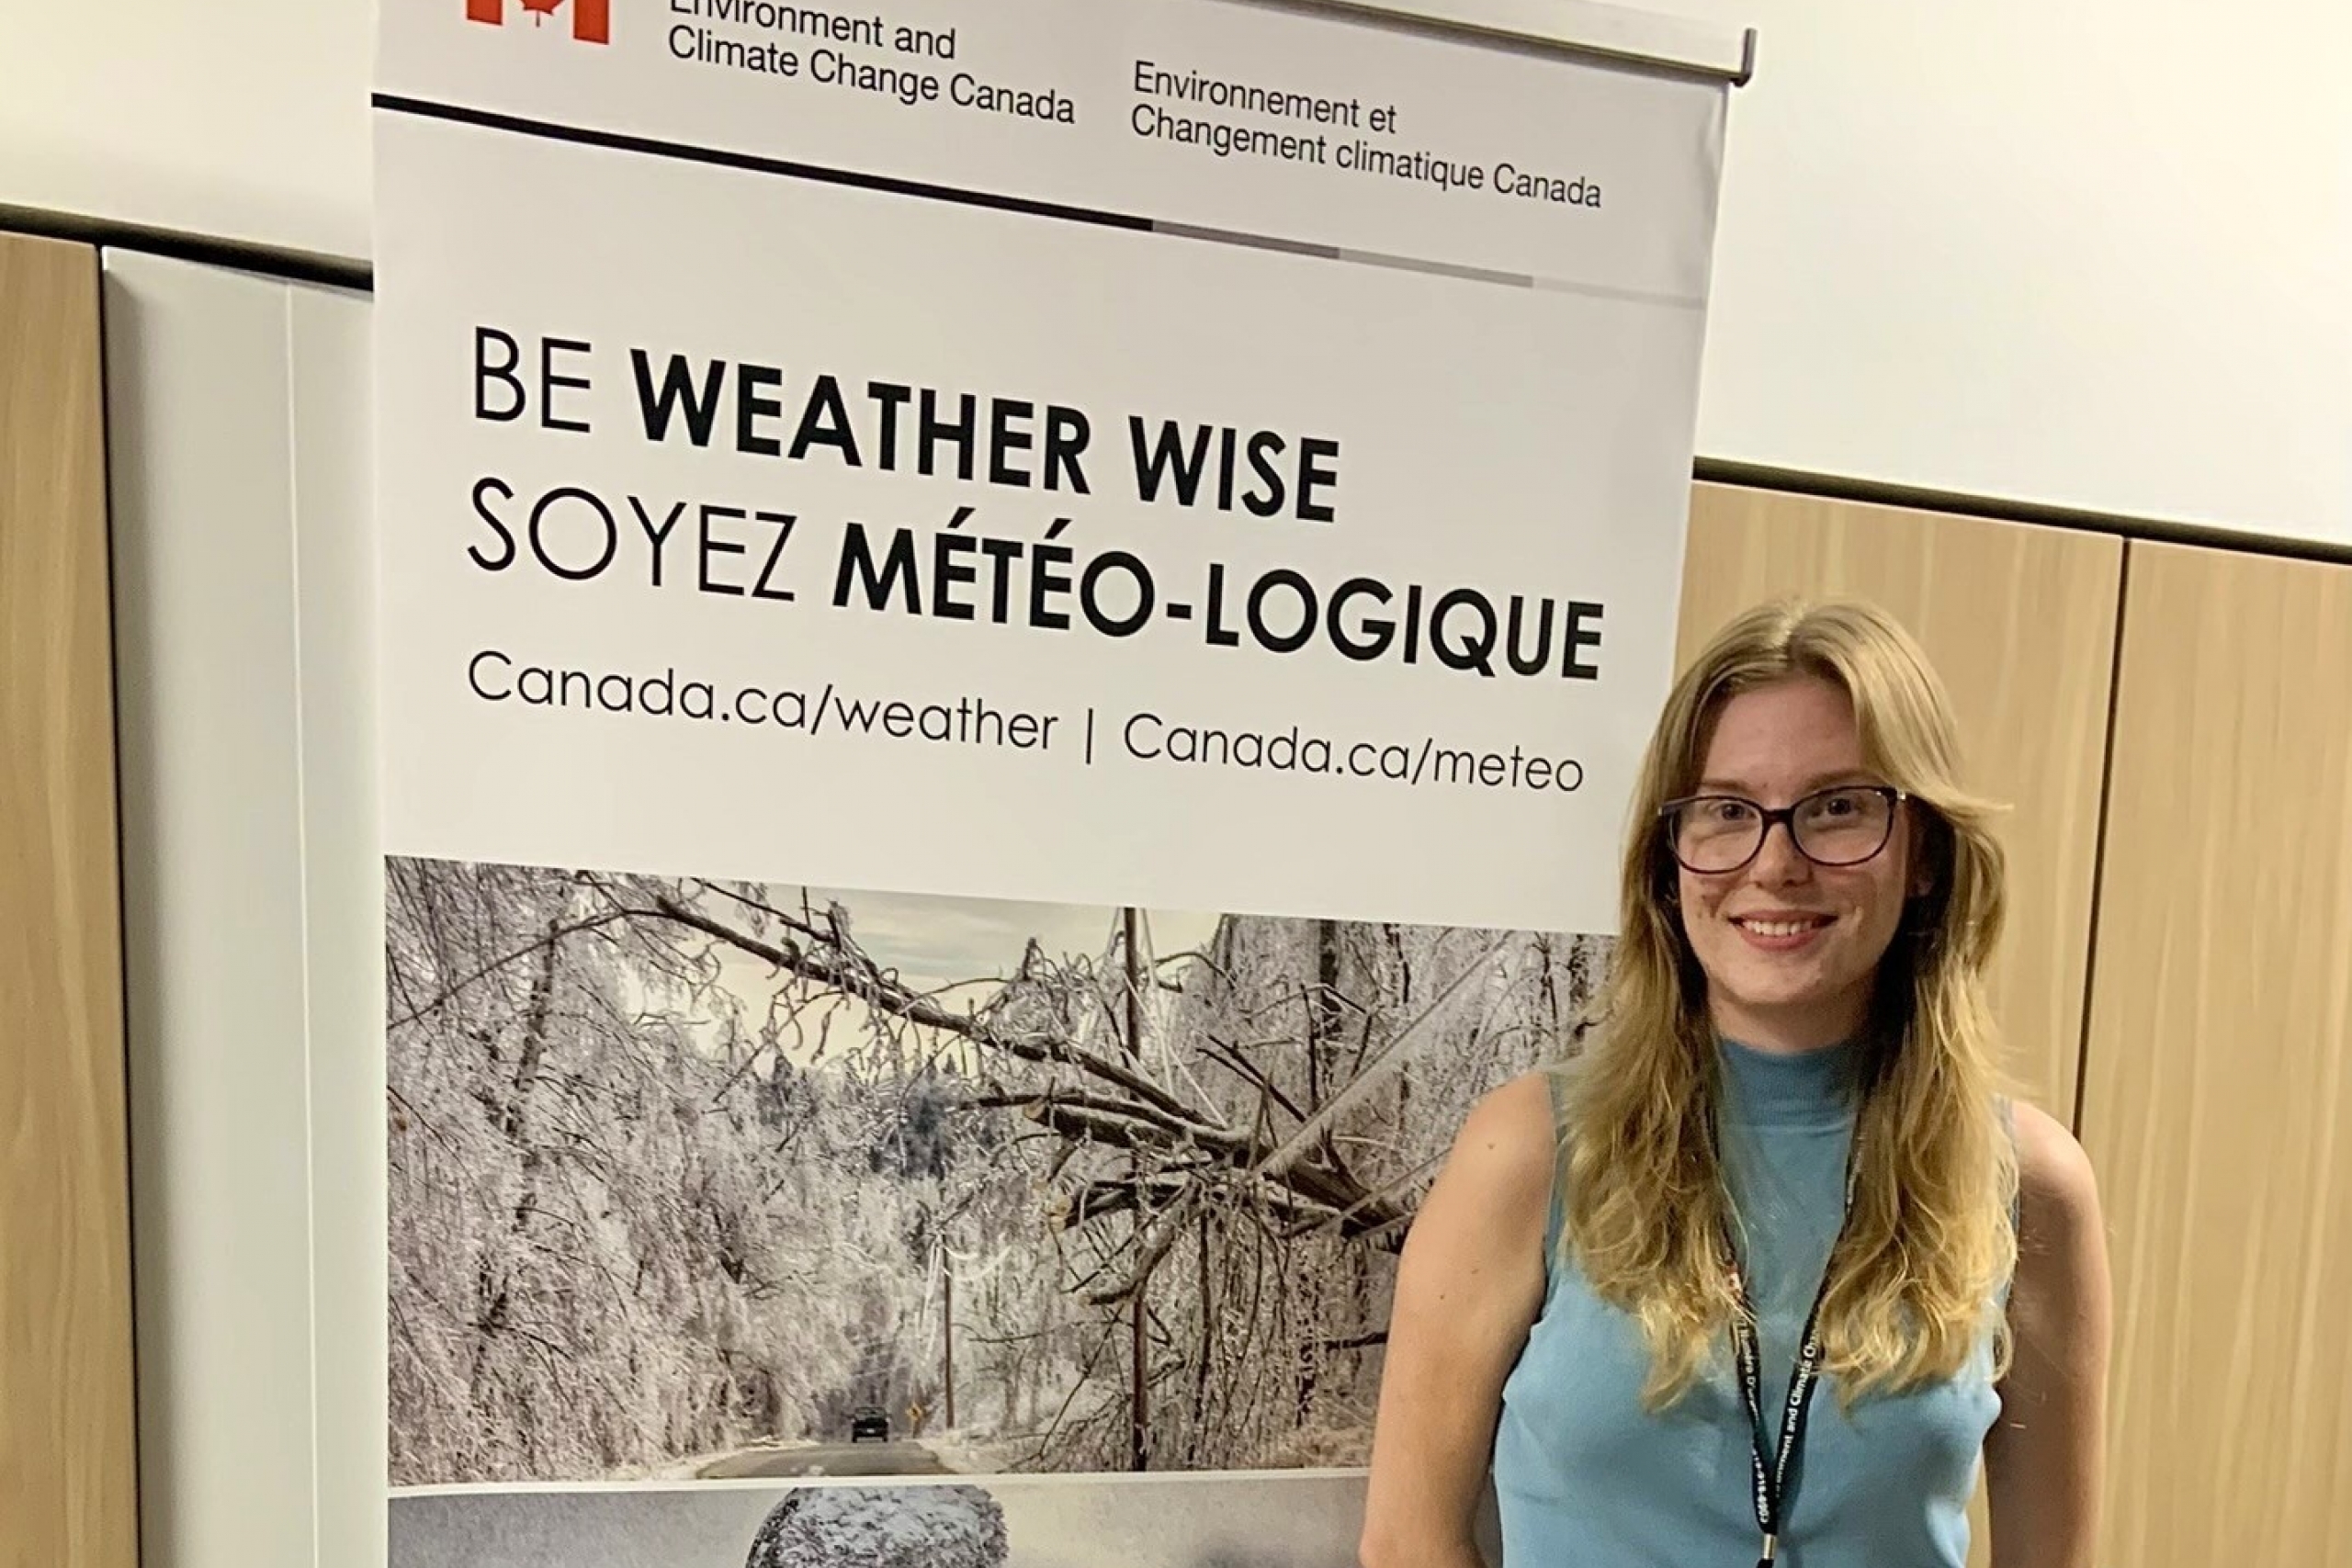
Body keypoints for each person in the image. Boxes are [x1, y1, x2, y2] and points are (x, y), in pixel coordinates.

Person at [1358, 597, 2110, 1568]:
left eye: (1838, 807)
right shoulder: (1529, 1153)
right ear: (1670, 862)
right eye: (1725, 812)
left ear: (1923, 852)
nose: (1776, 863)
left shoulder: (2027, 1181)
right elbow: (1407, 1544)